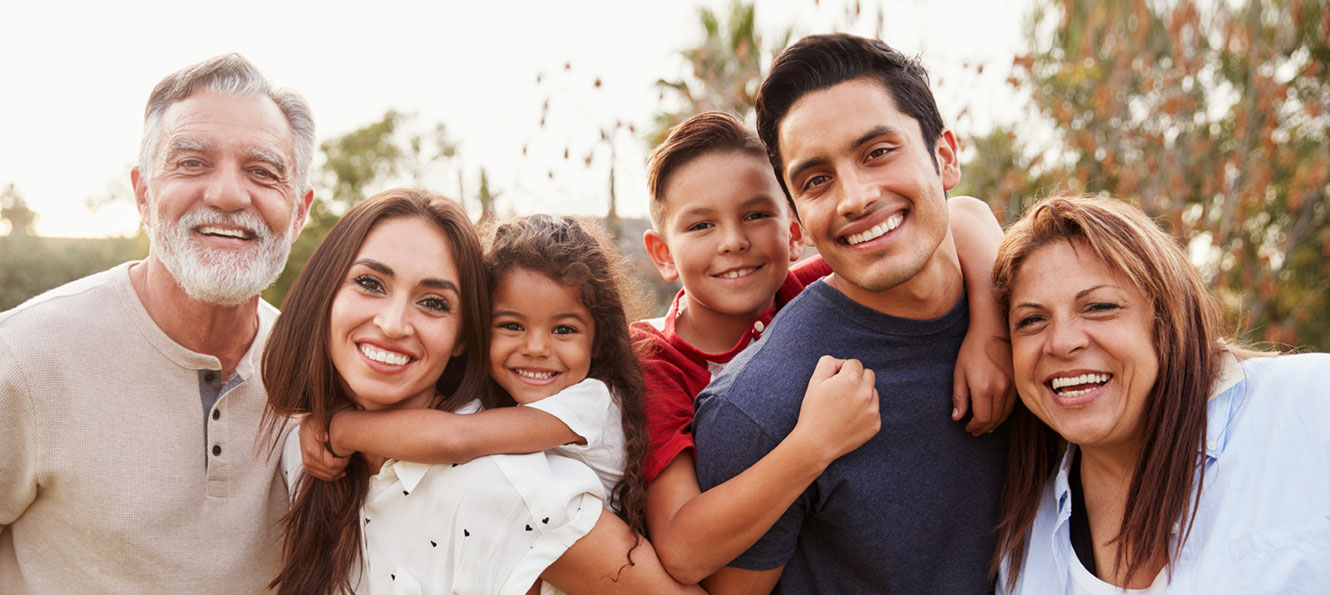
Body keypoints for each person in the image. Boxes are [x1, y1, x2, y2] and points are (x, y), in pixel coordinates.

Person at [632, 110, 1012, 585]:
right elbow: (682, 550)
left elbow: (963, 212)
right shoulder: (653, 361)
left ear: (795, 233)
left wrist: (991, 332)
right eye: (701, 226)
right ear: (663, 254)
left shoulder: (806, 291)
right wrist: (813, 444)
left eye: (755, 215)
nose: (734, 241)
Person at [264, 189, 700, 594]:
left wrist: (341, 427)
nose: (393, 324)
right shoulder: (295, 451)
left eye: (434, 302)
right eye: (370, 283)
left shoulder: (505, 486)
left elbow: (457, 440)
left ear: (463, 336)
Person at [0, 54, 314, 593]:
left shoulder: (319, 374)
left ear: (300, 211)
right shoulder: (24, 358)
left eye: (263, 172)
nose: (228, 195)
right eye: (192, 163)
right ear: (143, 194)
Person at [992, 195, 1330, 593]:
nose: (1062, 343)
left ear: (1166, 319)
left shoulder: (1310, 405)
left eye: (1099, 307)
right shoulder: (1021, 542)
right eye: (1032, 320)